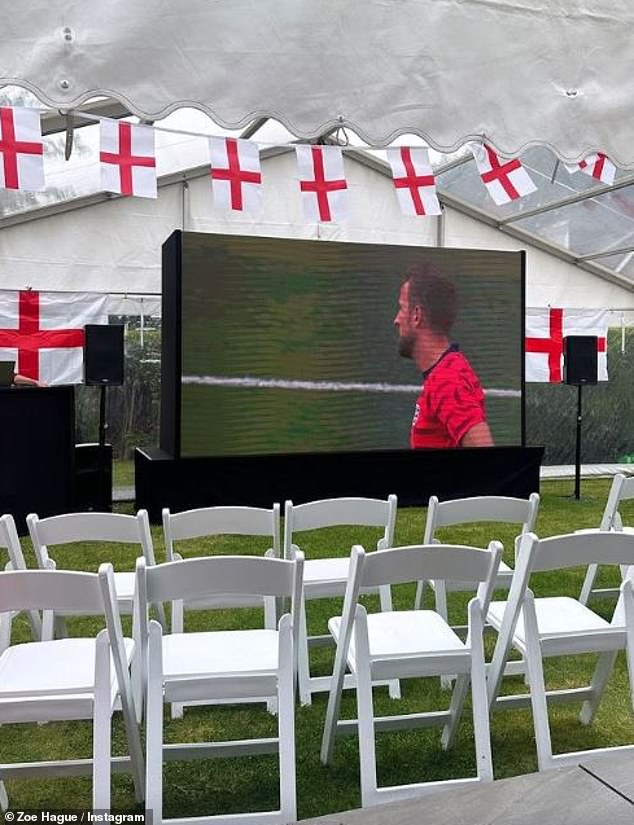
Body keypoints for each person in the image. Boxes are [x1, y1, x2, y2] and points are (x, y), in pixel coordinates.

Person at [394, 263, 494, 448]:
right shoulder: (444, 373)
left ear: (416, 315)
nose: (396, 320)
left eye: (401, 309)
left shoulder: (447, 379)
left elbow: (485, 453)